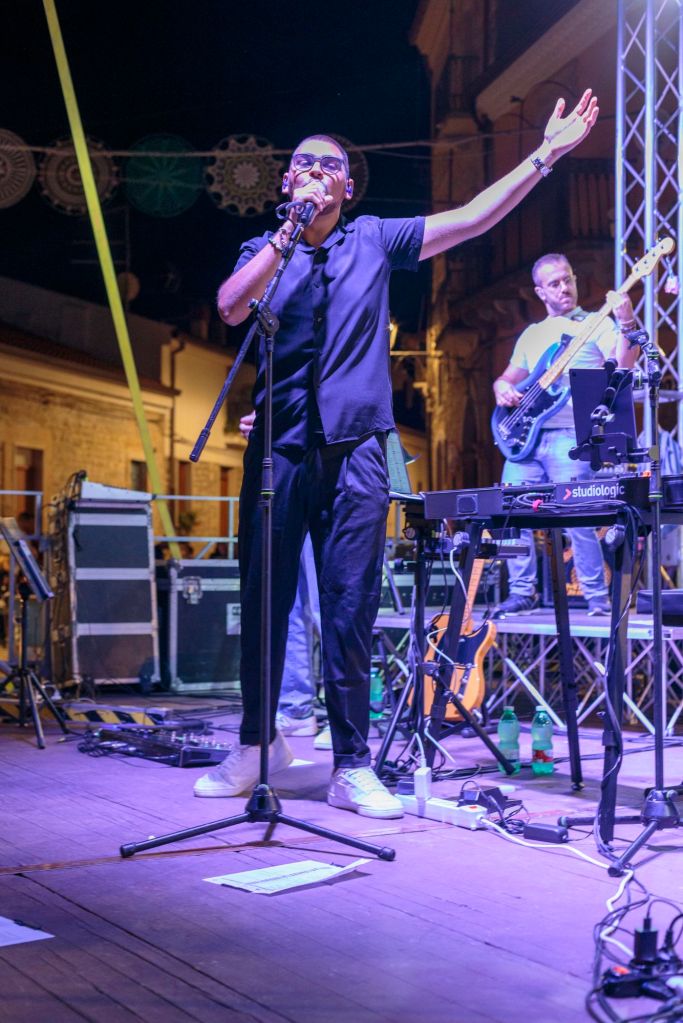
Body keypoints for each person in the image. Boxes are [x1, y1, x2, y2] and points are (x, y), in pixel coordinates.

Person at [193, 89, 600, 818]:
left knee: (349, 608)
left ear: (348, 187)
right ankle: (257, 746)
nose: (316, 171)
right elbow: (230, 306)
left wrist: (545, 155)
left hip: (356, 456)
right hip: (278, 452)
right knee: (263, 601)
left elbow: (472, 217)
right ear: (287, 180)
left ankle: (351, 764)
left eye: (331, 166)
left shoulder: (374, 240)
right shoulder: (265, 252)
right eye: (304, 163)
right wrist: (287, 235)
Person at [491, 252, 638, 618]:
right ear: (540, 292)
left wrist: (626, 321)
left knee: (578, 520)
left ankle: (596, 598)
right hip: (525, 440)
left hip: (570, 437)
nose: (563, 288)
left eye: (567, 279)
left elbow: (623, 366)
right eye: (553, 283)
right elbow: (509, 377)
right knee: (509, 512)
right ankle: (522, 592)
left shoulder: (597, 323)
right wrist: (500, 387)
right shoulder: (532, 334)